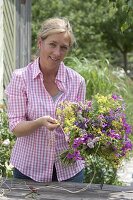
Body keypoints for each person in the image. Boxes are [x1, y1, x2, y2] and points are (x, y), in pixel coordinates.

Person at [5, 17, 86, 183]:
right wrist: (39, 122)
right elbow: (15, 127)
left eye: (63, 47)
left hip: (69, 170)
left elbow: (80, 126)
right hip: (29, 170)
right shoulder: (21, 78)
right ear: (40, 43)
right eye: (52, 44)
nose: (57, 53)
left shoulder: (77, 81)